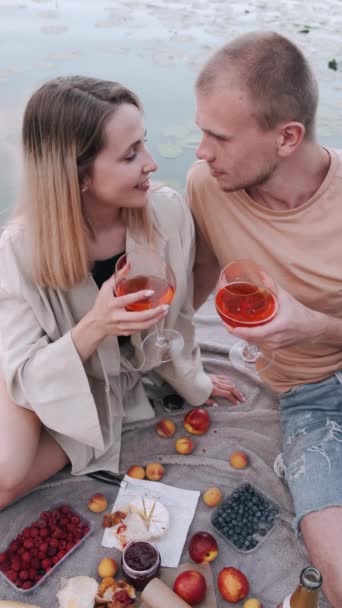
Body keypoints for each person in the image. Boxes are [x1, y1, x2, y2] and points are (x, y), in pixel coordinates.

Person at [0, 76, 243, 510]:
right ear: (78, 177)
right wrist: (95, 325)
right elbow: (25, 370)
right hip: (26, 368)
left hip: (89, 383)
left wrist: (195, 380)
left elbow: (179, 317)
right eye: (130, 155)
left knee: (12, 486)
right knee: (8, 469)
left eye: (144, 144)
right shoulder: (18, 251)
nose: (151, 163)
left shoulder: (166, 212)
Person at [187, 32, 342, 607]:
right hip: (309, 398)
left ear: (287, 137)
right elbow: (201, 274)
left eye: (218, 137)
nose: (201, 151)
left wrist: (315, 327)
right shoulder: (208, 186)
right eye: (200, 130)